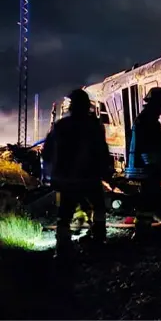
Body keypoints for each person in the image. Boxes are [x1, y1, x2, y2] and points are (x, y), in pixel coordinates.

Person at [42, 89, 112, 261]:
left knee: (64, 214)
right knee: (99, 207)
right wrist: (106, 172)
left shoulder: (60, 126)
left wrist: (51, 175)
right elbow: (101, 151)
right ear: (87, 105)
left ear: (71, 106)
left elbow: (47, 152)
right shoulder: (94, 125)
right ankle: (99, 239)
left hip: (66, 180)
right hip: (89, 177)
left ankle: (63, 247)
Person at [125, 87, 161, 240]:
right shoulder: (148, 121)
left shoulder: (145, 119)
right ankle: (142, 232)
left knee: (149, 199)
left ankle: (145, 228)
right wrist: (157, 167)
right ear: (156, 104)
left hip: (147, 168)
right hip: (148, 169)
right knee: (148, 199)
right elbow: (149, 147)